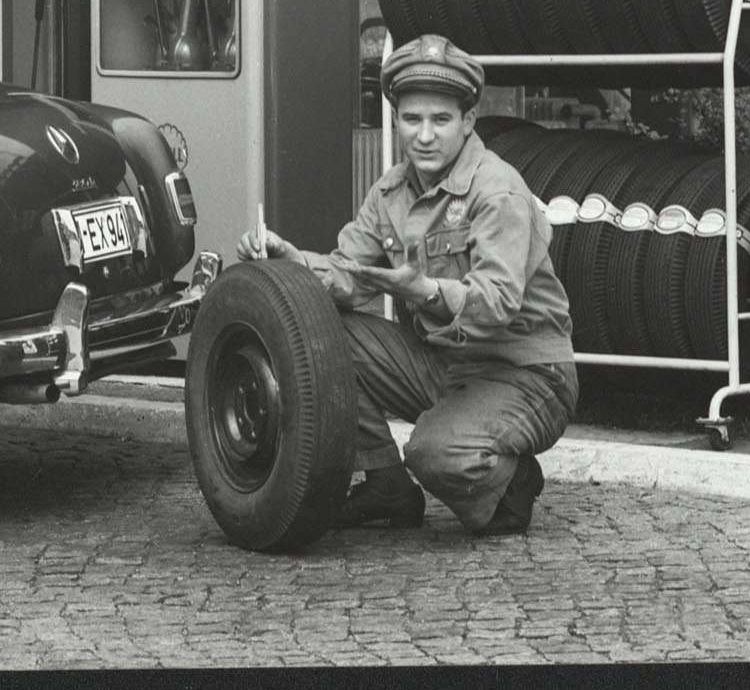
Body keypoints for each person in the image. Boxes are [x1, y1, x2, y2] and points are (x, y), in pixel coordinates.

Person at [234, 32, 578, 537]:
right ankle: (386, 485)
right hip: (444, 363)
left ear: (467, 122)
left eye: (440, 120)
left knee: (434, 453)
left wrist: (425, 292)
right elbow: (348, 277)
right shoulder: (390, 191)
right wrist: (296, 262)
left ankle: (512, 481)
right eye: (412, 119)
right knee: (323, 333)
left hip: (526, 372)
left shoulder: (496, 189)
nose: (424, 135)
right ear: (395, 121)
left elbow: (499, 303)